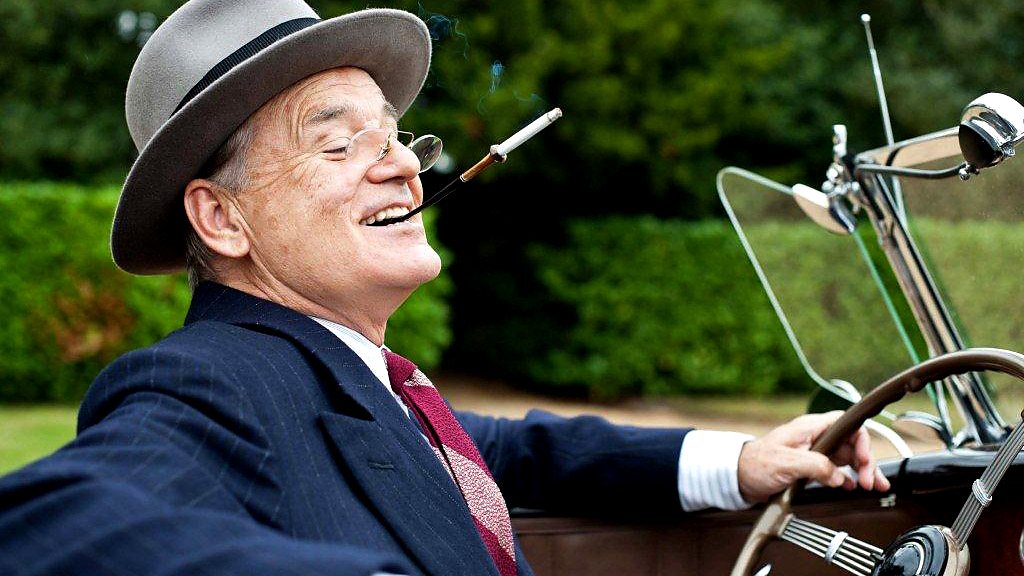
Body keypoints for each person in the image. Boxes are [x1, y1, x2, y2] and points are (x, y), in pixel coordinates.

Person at [0, 1, 890, 575]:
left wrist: (738, 461)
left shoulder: (365, 388)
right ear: (221, 218)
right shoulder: (205, 384)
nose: (402, 167)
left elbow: (508, 452)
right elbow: (51, 521)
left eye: (397, 138)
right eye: (338, 144)